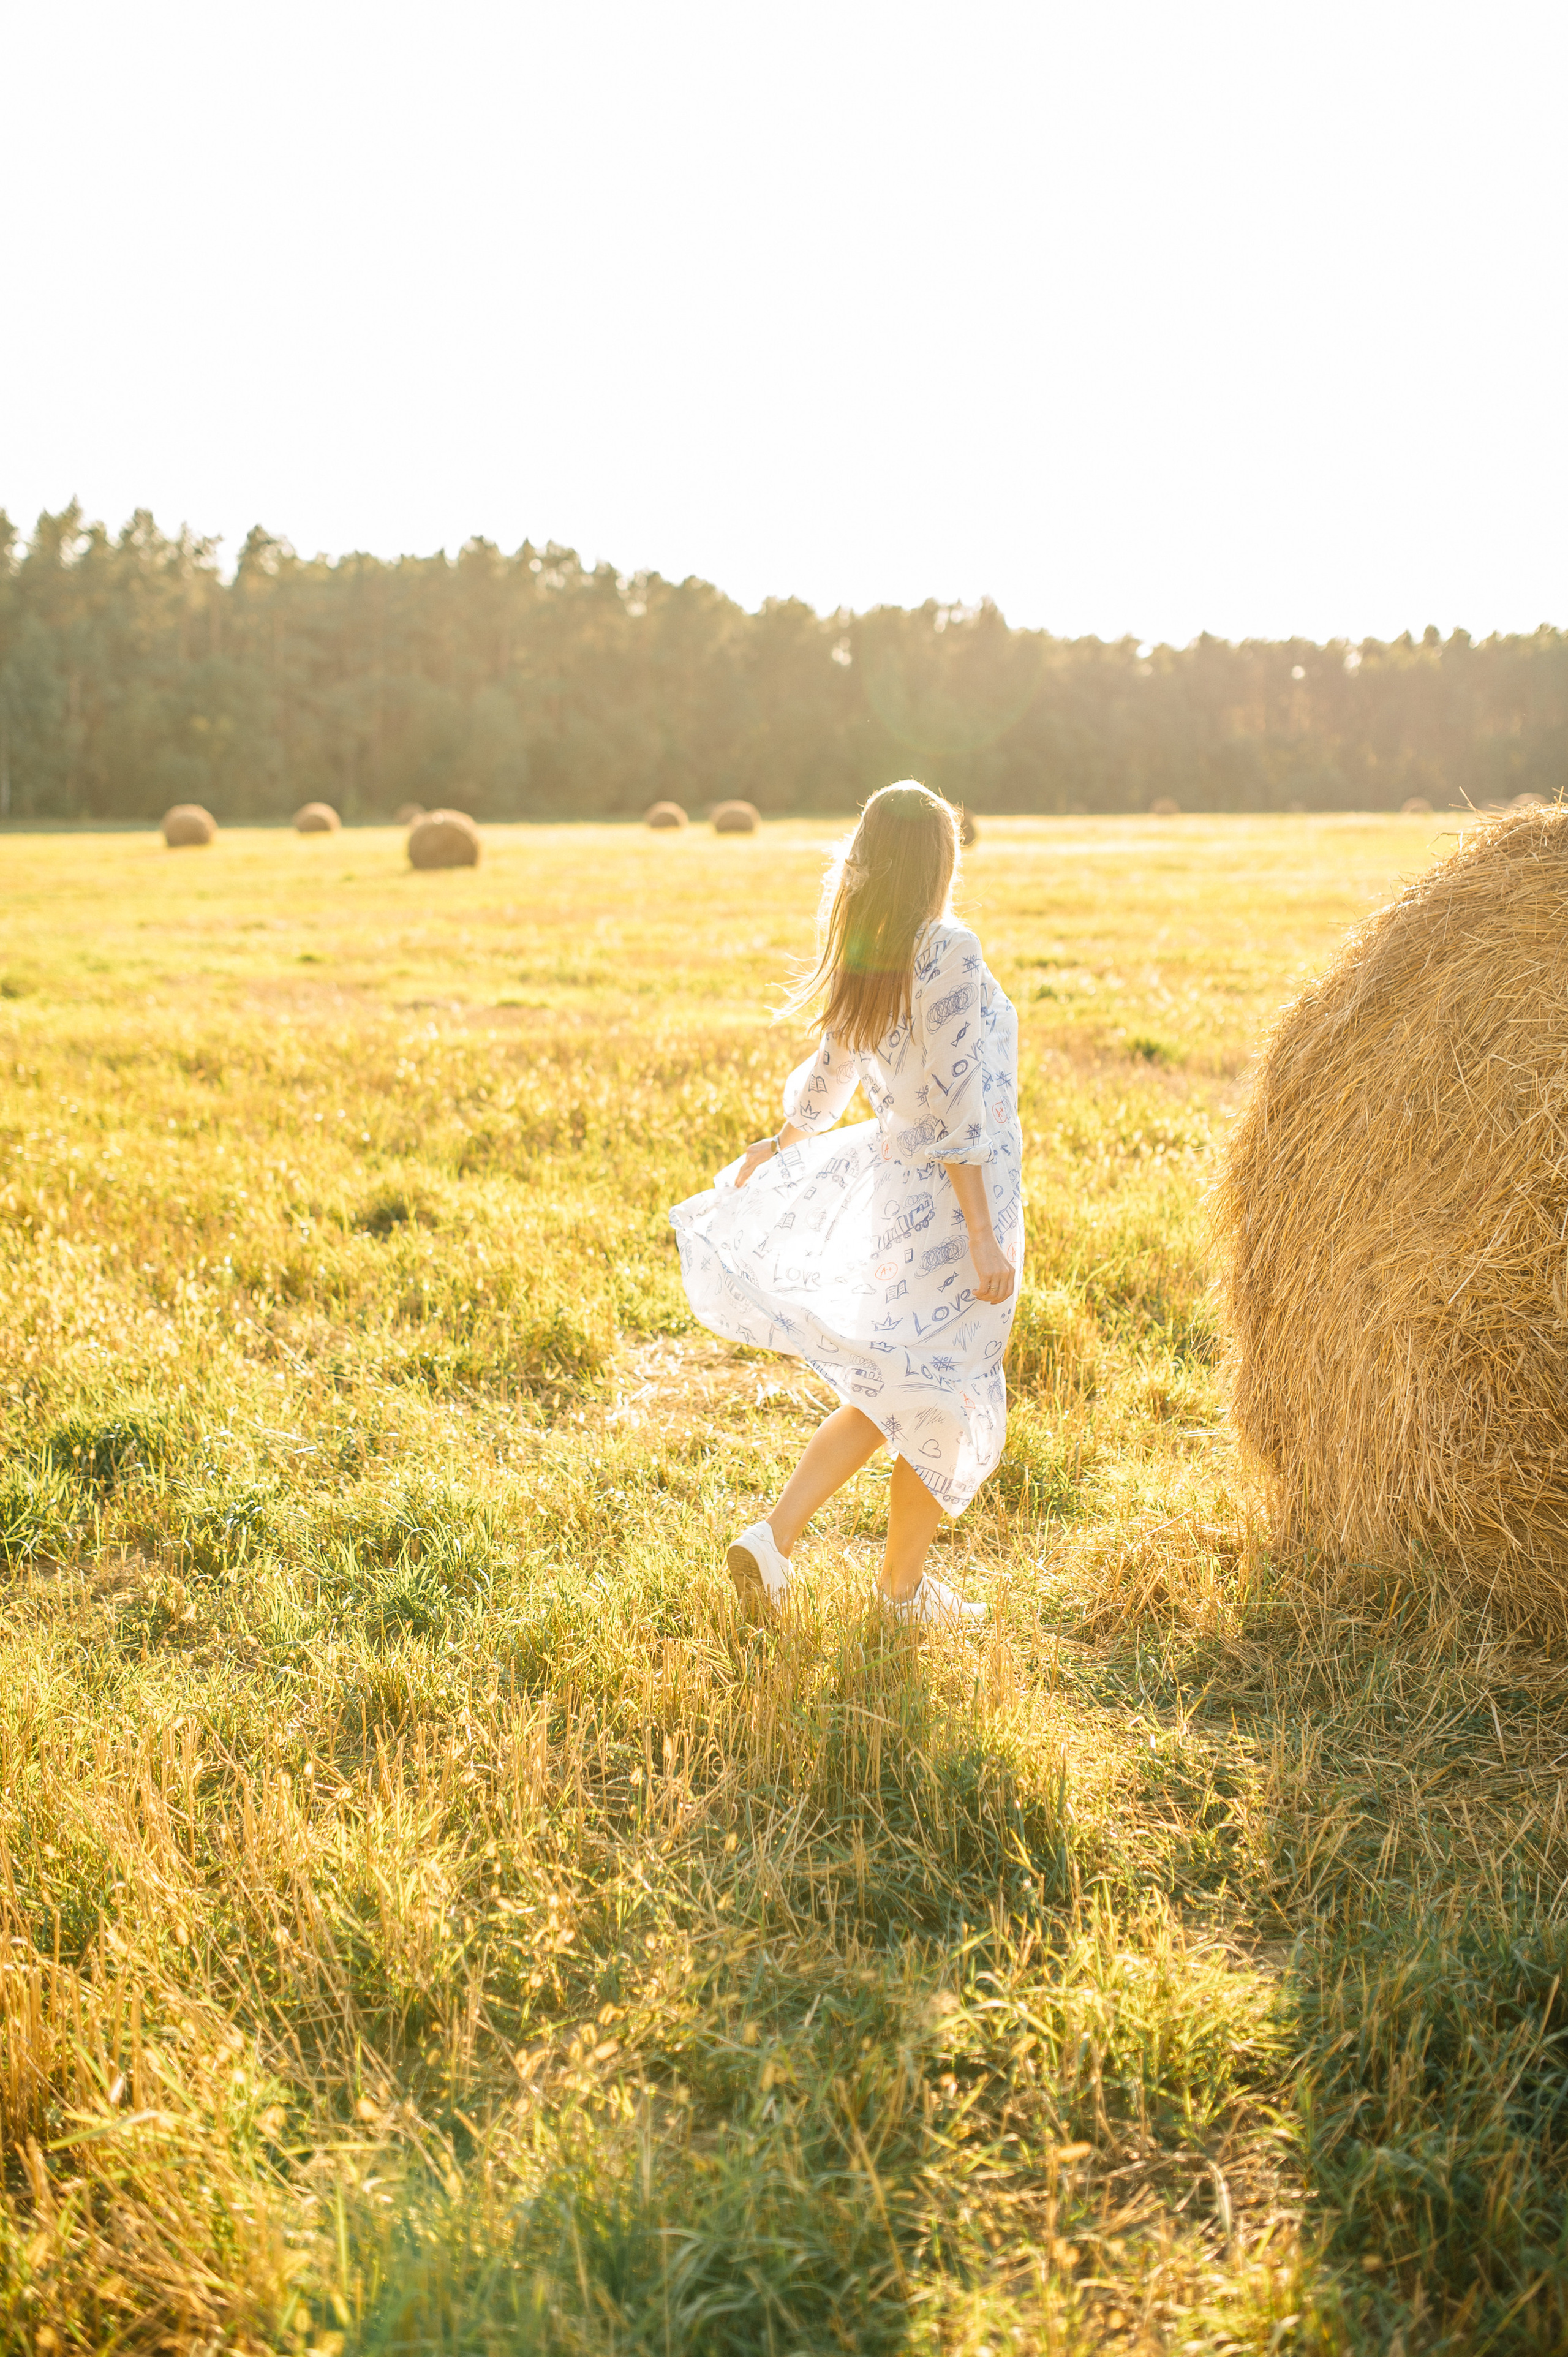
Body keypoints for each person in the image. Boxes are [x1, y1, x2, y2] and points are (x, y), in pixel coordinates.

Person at [669, 781, 1023, 1626]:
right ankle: (900, 1595)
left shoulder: (875, 946)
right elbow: (956, 1104)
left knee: (889, 1384)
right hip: (951, 1204)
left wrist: (781, 1141)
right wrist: (982, 1235)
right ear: (938, 863)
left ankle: (773, 1538)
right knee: (942, 1395)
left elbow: (831, 1074)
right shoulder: (947, 947)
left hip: (894, 1195)